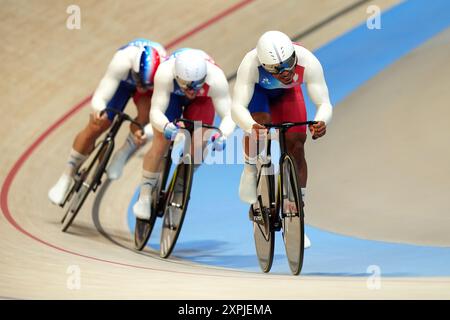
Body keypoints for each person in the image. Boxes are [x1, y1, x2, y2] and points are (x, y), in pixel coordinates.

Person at [231, 31, 333, 249]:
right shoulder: (250, 64)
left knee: (296, 146)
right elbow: (237, 107)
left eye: (288, 64)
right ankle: (250, 170)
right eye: (277, 69)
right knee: (259, 122)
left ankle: (295, 214)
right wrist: (251, 127)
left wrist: (321, 121)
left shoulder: (307, 60)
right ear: (264, 65)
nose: (286, 72)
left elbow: (324, 102)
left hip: (287, 96)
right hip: (260, 95)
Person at [48, 38, 166, 205]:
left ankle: (123, 153)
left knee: (144, 116)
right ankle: (66, 175)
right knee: (98, 124)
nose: (140, 87)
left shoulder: (163, 74)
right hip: (122, 83)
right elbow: (101, 95)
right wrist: (99, 110)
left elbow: (160, 110)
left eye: (145, 84)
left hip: (149, 86)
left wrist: (145, 130)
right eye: (139, 81)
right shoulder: (122, 61)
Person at [133, 48, 235, 219]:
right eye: (187, 85)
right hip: (173, 96)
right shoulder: (165, 73)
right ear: (177, 76)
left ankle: (182, 181)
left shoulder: (216, 78)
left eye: (197, 84)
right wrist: (165, 126)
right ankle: (144, 197)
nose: (192, 90)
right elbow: (156, 111)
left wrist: (223, 135)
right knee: (160, 142)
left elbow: (228, 115)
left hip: (203, 101)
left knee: (200, 142)